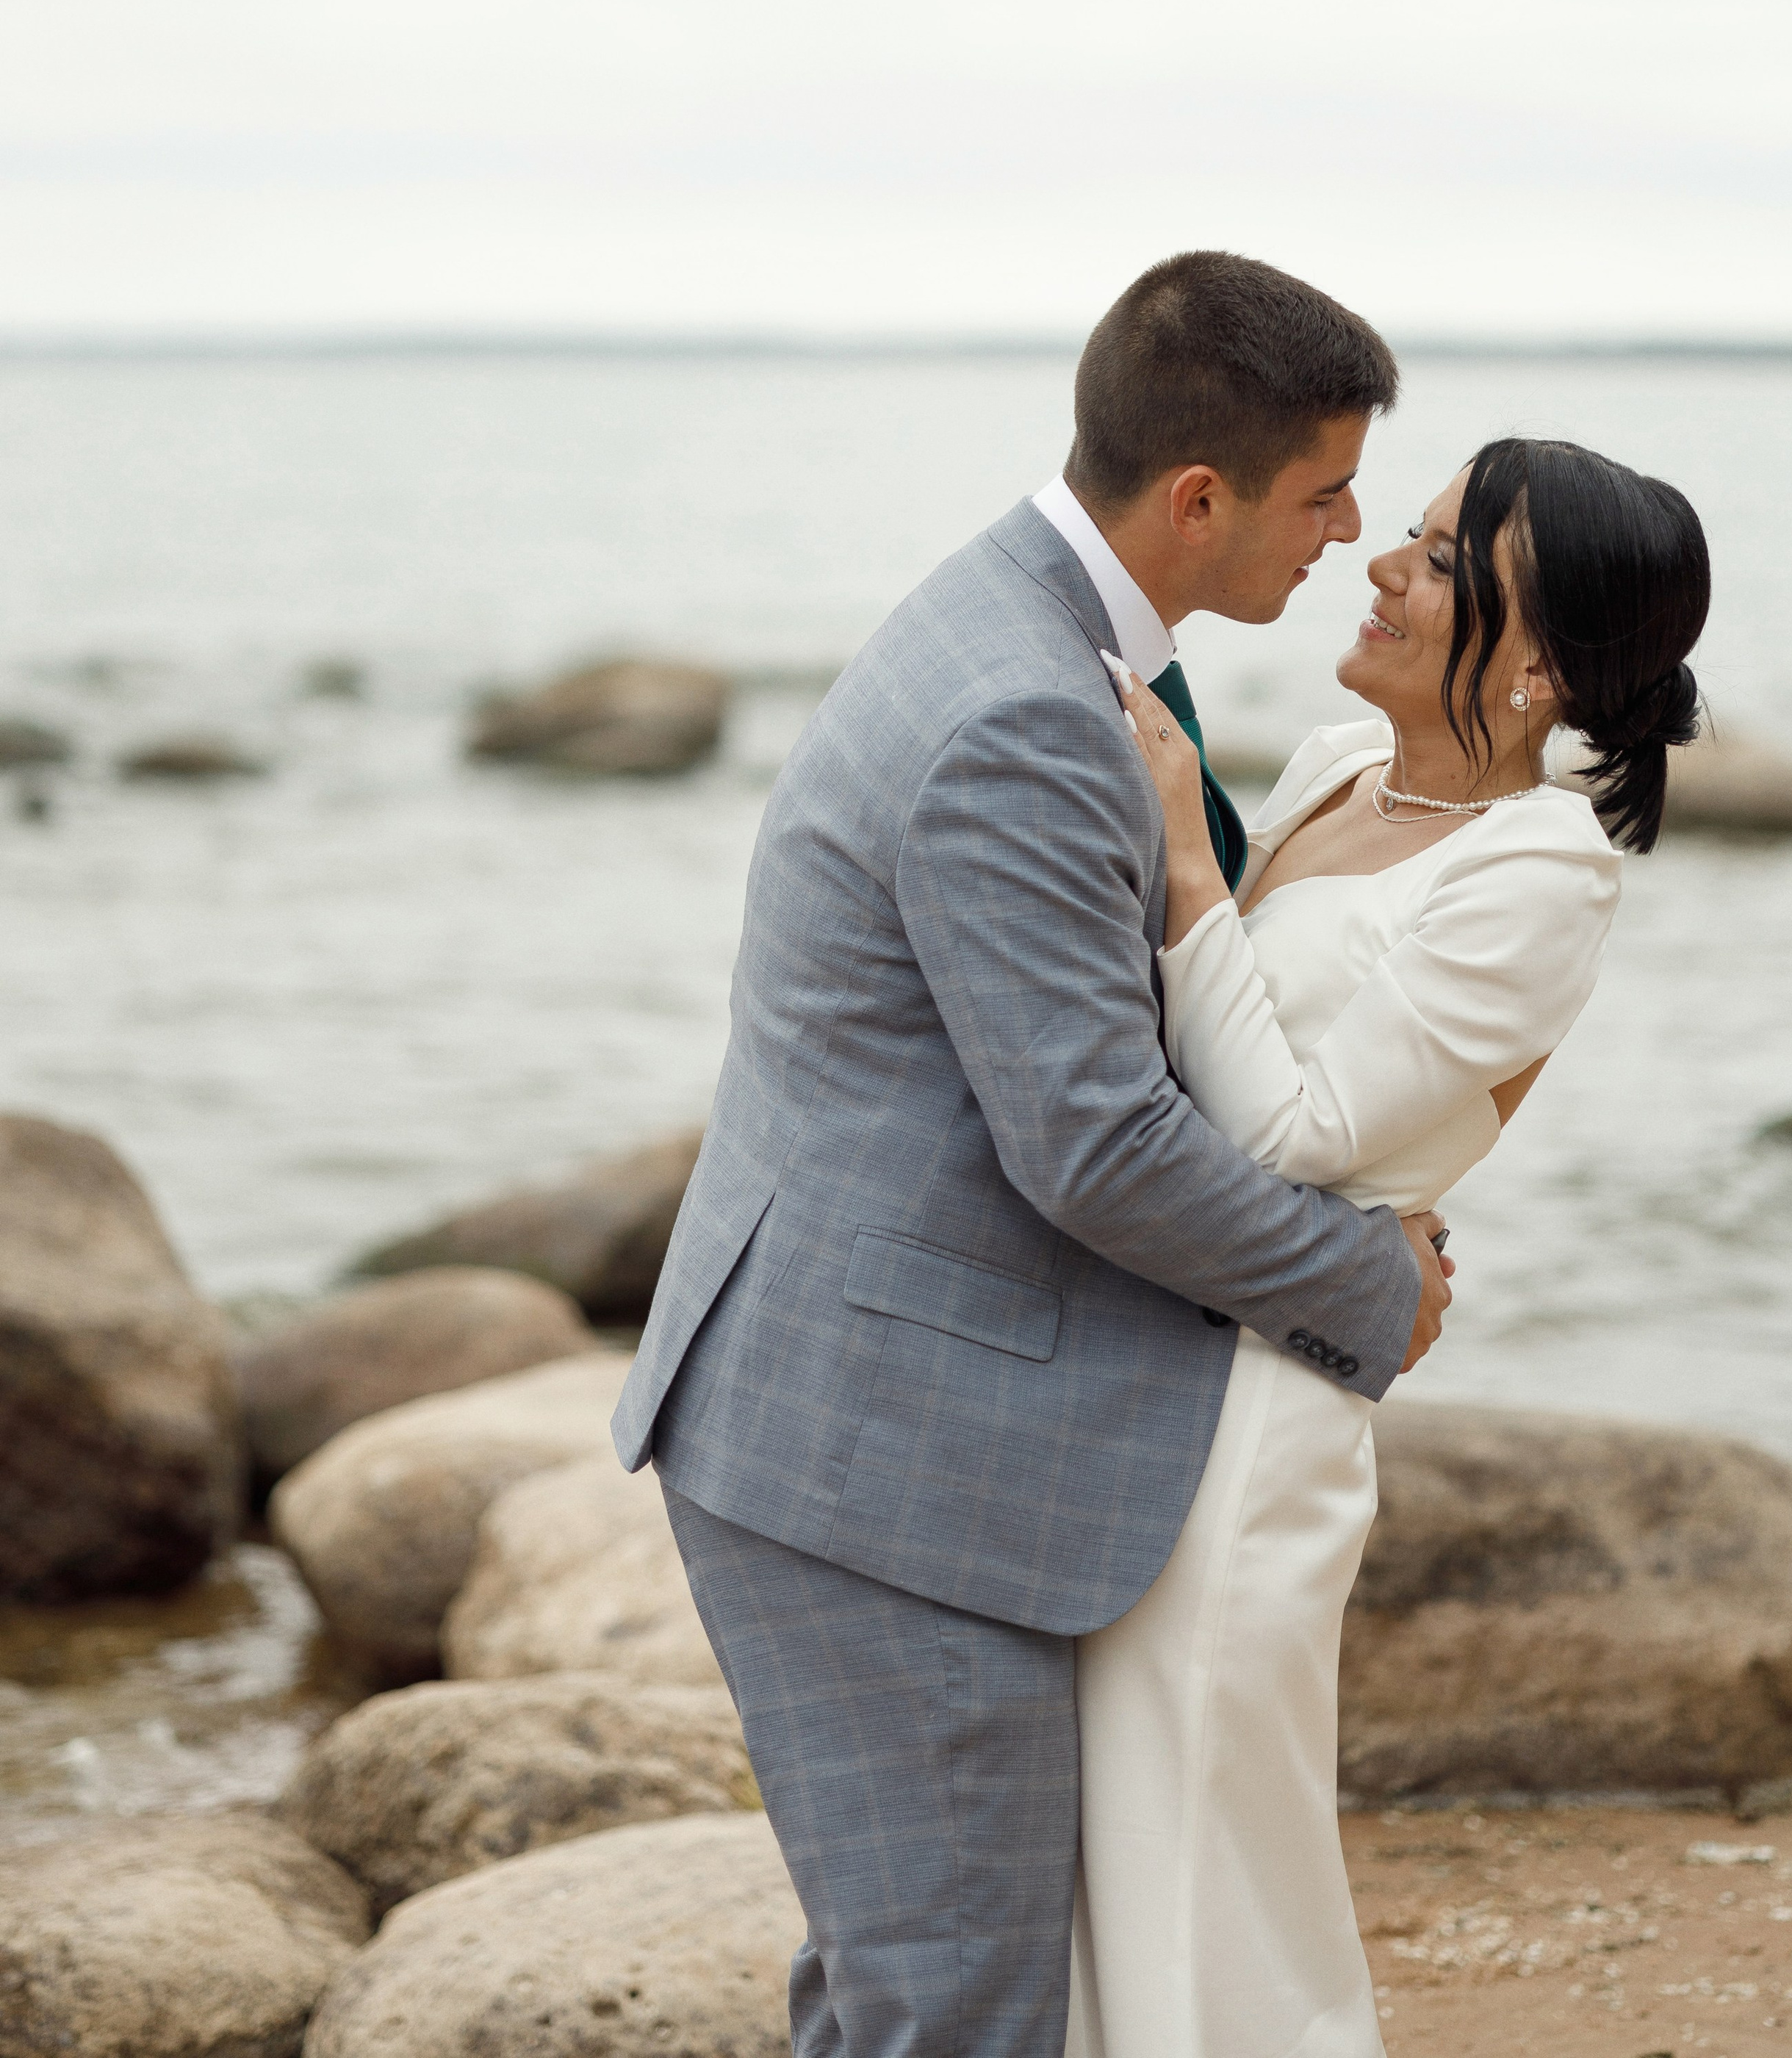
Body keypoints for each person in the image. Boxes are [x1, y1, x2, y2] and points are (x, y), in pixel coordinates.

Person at [612, 251, 1452, 2057]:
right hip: (870, 1464)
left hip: (861, 1406)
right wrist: (1361, 1284)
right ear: (1199, 496)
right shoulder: (1020, 711)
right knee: (954, 2008)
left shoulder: (1033, 631)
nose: (1351, 531)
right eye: (1323, 493)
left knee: (911, 1992)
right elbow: (1089, 1144)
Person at [1068, 433, 1710, 2058]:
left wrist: (1185, 863)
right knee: (1115, 1842)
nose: (1378, 567)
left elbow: (1288, 1133)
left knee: (1215, 1840)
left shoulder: (1540, 870)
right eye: (1408, 536)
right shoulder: (1336, 765)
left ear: (1545, 665)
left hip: (1262, 1411)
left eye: (1435, 562)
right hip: (1158, 1345)